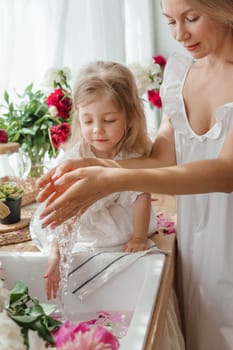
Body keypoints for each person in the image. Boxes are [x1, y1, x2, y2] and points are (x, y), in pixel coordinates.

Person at [36, 1, 233, 349]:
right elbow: (161, 160)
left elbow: (225, 173)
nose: (179, 34)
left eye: (191, 18)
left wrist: (114, 179)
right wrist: (95, 167)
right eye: (169, 21)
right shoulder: (184, 75)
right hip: (198, 244)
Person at [32, 60, 157, 300]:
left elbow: (141, 196)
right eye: (88, 121)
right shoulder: (74, 159)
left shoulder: (134, 157)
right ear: (78, 117)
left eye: (109, 120)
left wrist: (139, 237)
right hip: (81, 226)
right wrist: (56, 253)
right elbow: (62, 212)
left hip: (123, 224)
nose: (97, 129)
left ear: (129, 117)